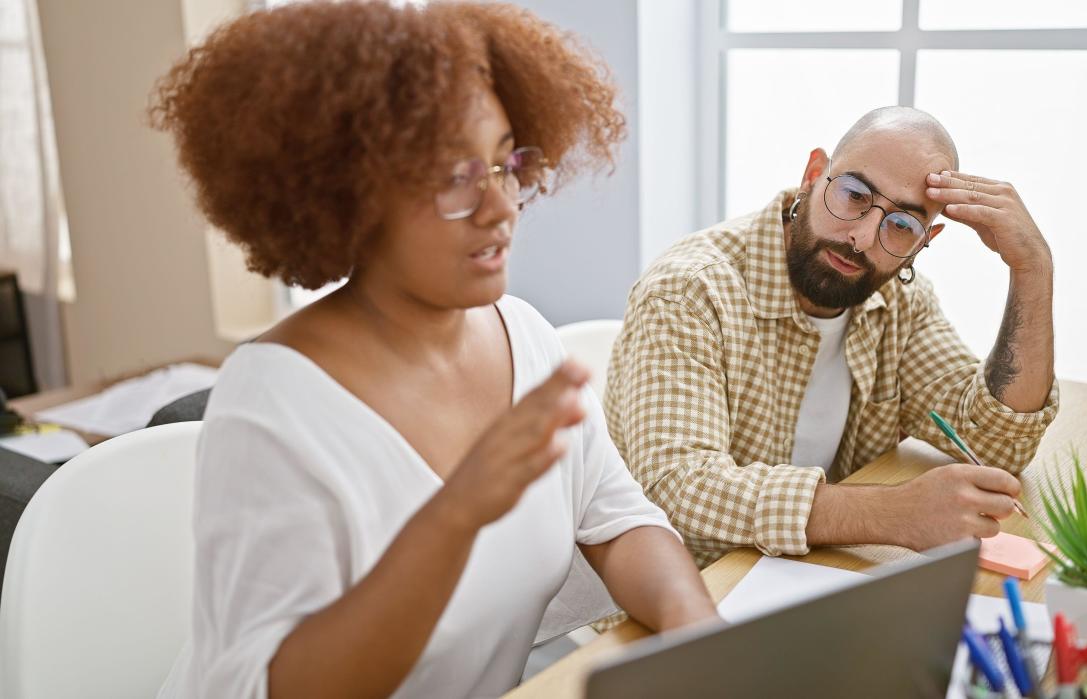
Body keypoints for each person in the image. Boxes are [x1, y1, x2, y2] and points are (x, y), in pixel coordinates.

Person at [148, 2, 717, 697]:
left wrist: (698, 633)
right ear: (350, 193)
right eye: (454, 176)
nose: (502, 205)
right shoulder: (272, 401)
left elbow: (620, 521)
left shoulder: (523, 331)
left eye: (506, 161)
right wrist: (453, 516)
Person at [605, 106, 1059, 567]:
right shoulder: (689, 290)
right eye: (854, 194)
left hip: (809, 572)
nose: (862, 237)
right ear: (813, 174)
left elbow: (999, 445)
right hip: (689, 589)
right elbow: (681, 486)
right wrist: (897, 514)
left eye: (901, 225)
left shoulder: (901, 301)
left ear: (925, 242)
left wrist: (1032, 271)